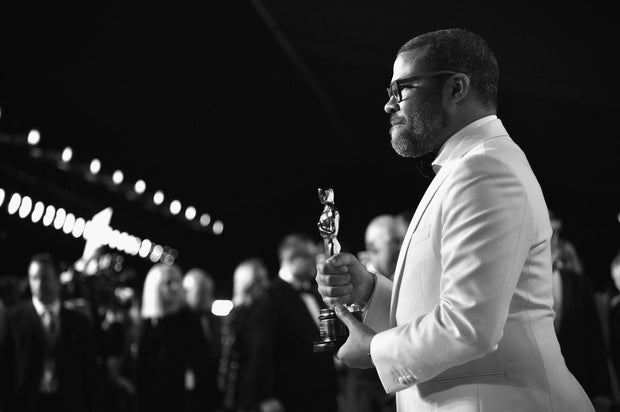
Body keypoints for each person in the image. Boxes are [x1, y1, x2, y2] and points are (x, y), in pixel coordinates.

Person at [316, 28, 594, 411]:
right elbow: (441, 305)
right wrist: (370, 291)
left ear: (456, 88)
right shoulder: (467, 166)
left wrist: (375, 348)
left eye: (402, 89)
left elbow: (470, 324)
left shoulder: (485, 169)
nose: (388, 105)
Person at [247, 233, 338, 412]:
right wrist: (266, 396)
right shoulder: (269, 297)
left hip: (324, 395)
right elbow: (260, 351)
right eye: (311, 257)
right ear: (292, 259)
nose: (316, 262)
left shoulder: (315, 294)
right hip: (290, 399)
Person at [0, 253, 100, 412]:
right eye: (34, 278)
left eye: (45, 277)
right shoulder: (13, 318)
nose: (39, 283)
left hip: (67, 403)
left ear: (57, 279)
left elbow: (89, 372)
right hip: (26, 403)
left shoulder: (79, 322)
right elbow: (4, 368)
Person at [135, 263, 212, 412]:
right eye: (168, 282)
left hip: (184, 399)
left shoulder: (189, 319)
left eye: (177, 282)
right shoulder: (148, 324)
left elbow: (201, 362)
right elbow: (141, 371)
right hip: (154, 399)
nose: (175, 287)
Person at [219, 258, 270, 412]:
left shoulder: (266, 311)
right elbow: (230, 359)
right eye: (259, 280)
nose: (265, 285)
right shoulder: (236, 315)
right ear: (247, 283)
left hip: (256, 394)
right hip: (243, 396)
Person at [182, 267, 222, 411]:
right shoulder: (180, 321)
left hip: (210, 391)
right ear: (186, 292)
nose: (206, 297)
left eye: (208, 292)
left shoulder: (213, 317)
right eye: (201, 293)